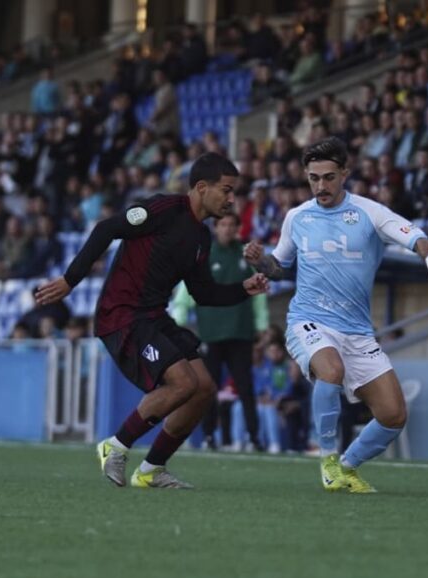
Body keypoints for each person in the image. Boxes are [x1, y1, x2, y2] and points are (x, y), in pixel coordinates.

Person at [35, 153, 269, 490]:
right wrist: (70, 281)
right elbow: (106, 228)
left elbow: (204, 294)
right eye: (227, 190)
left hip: (154, 316)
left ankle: (151, 469)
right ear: (202, 187)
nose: (232, 199)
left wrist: (243, 289)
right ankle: (114, 446)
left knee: (204, 389)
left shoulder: (201, 239)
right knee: (183, 383)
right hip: (122, 314)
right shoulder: (162, 209)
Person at [244, 137, 428, 493]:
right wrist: (260, 261)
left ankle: (347, 466)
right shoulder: (296, 217)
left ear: (345, 173)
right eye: (313, 178)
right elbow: (279, 266)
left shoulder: (370, 214)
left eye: (328, 177)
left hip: (357, 331)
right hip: (308, 320)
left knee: (393, 416)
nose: (320, 186)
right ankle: (327, 460)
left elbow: (418, 238)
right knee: (331, 370)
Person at [170, 212, 268, 451]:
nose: (226, 229)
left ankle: (254, 438)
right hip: (210, 334)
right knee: (207, 389)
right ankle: (209, 436)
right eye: (222, 224)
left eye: (230, 225)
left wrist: (262, 327)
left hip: (241, 332)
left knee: (245, 388)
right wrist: (178, 322)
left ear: (237, 227)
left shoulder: (246, 256)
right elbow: (185, 295)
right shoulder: (203, 255)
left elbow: (258, 296)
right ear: (215, 228)